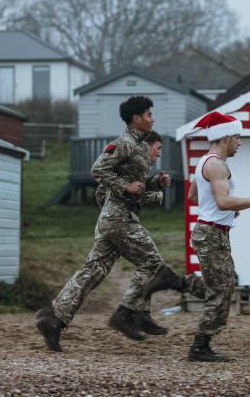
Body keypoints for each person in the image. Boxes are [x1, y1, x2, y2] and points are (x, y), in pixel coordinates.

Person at [35, 96, 184, 351]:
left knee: (92, 271)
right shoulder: (124, 144)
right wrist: (124, 186)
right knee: (151, 263)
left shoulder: (137, 147)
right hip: (119, 219)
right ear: (136, 118)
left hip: (113, 219)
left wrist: (154, 184)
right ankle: (129, 314)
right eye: (149, 114)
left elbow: (131, 184)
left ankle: (54, 319)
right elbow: (98, 170)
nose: (153, 118)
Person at [145, 111, 250, 362]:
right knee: (223, 291)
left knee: (221, 289)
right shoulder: (217, 165)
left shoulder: (205, 161)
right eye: (237, 138)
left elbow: (194, 196)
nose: (240, 143)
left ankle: (173, 280)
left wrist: (226, 208)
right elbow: (223, 200)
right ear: (225, 137)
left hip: (211, 231)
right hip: (212, 233)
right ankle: (200, 346)